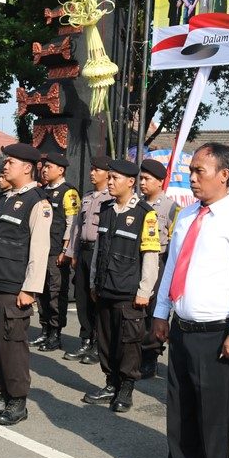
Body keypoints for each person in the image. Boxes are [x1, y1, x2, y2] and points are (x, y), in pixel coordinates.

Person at [140, 144, 229, 458]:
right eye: (191, 171)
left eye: (200, 171)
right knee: (180, 403)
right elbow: (173, 266)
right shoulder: (188, 216)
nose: (192, 178)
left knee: (213, 408)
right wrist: (161, 314)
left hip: (217, 330)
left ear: (224, 174)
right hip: (182, 325)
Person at [0, 144, 52, 425]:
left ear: (27, 167)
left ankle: (18, 402)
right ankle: (4, 395)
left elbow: (40, 250)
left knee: (12, 345)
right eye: (5, 162)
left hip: (14, 287)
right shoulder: (6, 197)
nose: (5, 166)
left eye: (11, 162)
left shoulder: (37, 202)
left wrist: (29, 289)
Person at [81, 159, 161, 412]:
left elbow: (150, 256)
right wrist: (94, 281)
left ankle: (125, 389)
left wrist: (144, 291)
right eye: (110, 177)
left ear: (130, 182)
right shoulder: (105, 210)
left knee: (128, 344)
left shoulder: (145, 214)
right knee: (105, 341)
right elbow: (97, 252)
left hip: (129, 292)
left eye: (115, 178)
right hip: (105, 288)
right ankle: (110, 383)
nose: (111, 182)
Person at [64, 156, 112, 365]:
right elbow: (77, 227)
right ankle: (85, 340)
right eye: (91, 169)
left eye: (97, 170)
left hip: (98, 252)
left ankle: (97, 345)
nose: (92, 173)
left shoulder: (111, 199)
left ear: (108, 174)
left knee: (97, 299)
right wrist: (72, 253)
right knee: (82, 297)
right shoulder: (87, 197)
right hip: (83, 251)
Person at [138, 158, 182, 379]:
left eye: (147, 179)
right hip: (139, 262)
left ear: (160, 182)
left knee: (155, 311)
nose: (142, 183)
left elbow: (176, 243)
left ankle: (150, 357)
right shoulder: (137, 204)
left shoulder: (172, 208)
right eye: (141, 178)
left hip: (160, 262)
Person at [34, 153, 81, 353]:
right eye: (43, 166)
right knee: (41, 291)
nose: (44, 169)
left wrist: (65, 250)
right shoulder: (42, 191)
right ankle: (44, 330)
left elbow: (72, 224)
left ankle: (55, 333)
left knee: (55, 292)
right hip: (41, 248)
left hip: (56, 251)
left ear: (60, 170)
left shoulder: (68, 193)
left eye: (49, 166)